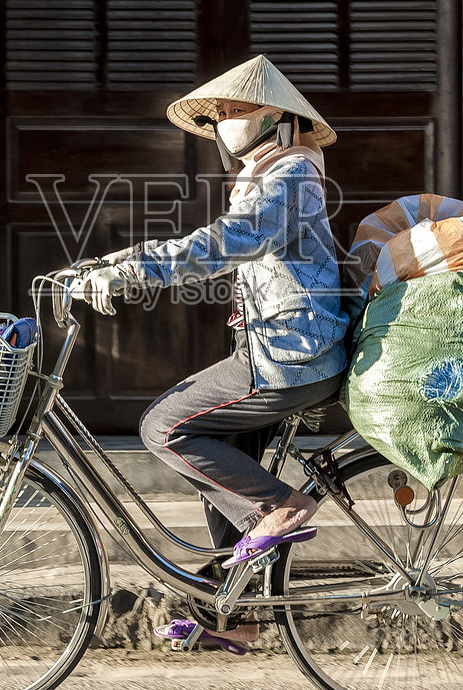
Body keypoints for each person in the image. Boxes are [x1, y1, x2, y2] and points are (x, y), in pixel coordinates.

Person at [76, 55, 350, 596]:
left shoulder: (292, 175)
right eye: (220, 112)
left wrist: (136, 271)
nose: (224, 120)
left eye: (236, 109)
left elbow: (228, 242)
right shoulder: (270, 177)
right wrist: (115, 261)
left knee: (164, 427)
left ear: (278, 117)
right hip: (276, 349)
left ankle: (281, 505)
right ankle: (234, 608)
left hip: (291, 357)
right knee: (216, 462)